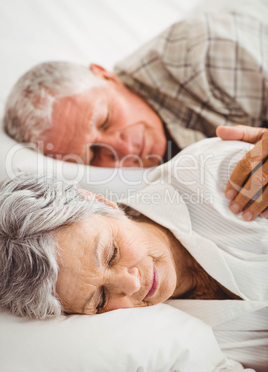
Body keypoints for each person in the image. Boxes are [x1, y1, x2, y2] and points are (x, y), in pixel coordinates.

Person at [0, 137, 267, 369]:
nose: (132, 284)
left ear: (99, 200)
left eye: (112, 253)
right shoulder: (158, 341)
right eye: (101, 298)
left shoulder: (213, 174)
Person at [3, 11, 268, 220]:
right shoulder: (118, 198)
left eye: (105, 119)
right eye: (93, 155)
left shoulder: (203, 52)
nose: (125, 147)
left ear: (105, 75)